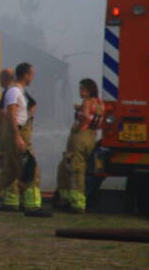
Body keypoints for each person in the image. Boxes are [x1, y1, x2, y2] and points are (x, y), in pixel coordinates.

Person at [0, 62, 52, 217]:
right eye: (31, 74)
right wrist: (18, 137)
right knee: (31, 169)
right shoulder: (14, 92)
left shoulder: (18, 91)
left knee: (10, 172)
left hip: (15, 134)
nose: (33, 77)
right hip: (17, 135)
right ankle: (32, 206)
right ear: (25, 75)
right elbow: (11, 114)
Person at [55, 78, 103, 213]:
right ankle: (67, 199)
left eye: (83, 89)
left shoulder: (87, 102)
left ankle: (76, 203)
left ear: (89, 90)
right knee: (66, 167)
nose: (80, 91)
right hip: (91, 137)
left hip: (79, 138)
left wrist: (78, 123)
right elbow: (98, 121)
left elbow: (85, 117)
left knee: (75, 170)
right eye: (80, 88)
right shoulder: (99, 103)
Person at [0, 68, 22, 212]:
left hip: (9, 135)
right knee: (12, 166)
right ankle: (14, 199)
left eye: (0, 78)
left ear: (5, 79)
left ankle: (11, 200)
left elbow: (8, 113)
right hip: (10, 134)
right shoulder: (17, 91)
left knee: (9, 166)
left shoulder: (10, 93)